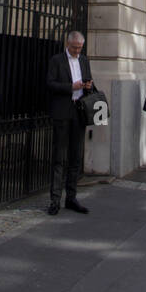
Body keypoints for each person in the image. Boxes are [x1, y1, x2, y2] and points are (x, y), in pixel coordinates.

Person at [46, 30, 93, 214]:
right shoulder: (57, 60)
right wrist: (70, 87)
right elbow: (50, 83)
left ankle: (71, 198)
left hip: (78, 112)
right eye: (74, 47)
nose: (77, 51)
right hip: (62, 111)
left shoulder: (84, 60)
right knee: (59, 157)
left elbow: (89, 81)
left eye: (80, 48)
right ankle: (55, 200)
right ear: (68, 44)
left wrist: (87, 85)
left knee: (75, 157)